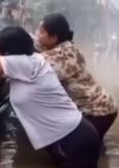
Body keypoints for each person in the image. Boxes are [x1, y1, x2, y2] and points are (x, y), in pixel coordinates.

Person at [0, 27, 100, 168]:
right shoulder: (33, 60)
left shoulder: (22, 64)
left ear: (8, 53)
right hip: (78, 134)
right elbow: (1, 57)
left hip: (73, 141)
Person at [36, 14, 117, 144]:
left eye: (41, 31)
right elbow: (32, 47)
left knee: (79, 149)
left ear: (53, 38)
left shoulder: (59, 56)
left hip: (96, 112)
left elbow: (26, 64)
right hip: (105, 107)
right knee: (94, 146)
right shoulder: (69, 47)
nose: (37, 35)